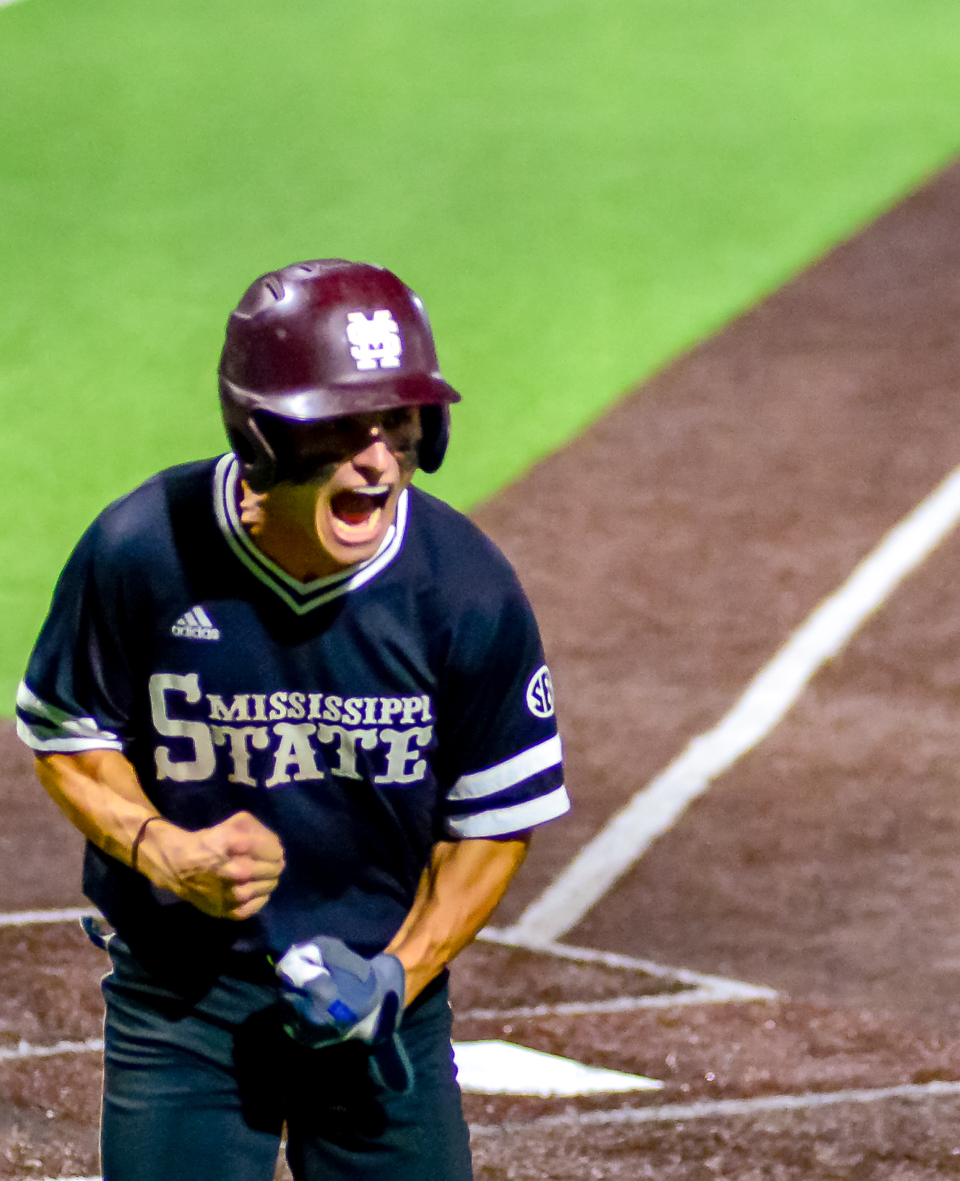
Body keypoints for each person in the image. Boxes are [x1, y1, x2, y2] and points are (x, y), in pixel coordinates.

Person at [14, 259, 570, 1180]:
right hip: (182, 1000)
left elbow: (494, 819)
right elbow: (71, 735)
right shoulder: (144, 549)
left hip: (381, 996)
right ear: (263, 433)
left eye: (398, 421)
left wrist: (397, 976)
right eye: (343, 425)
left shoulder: (463, 587)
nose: (377, 459)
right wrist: (163, 849)